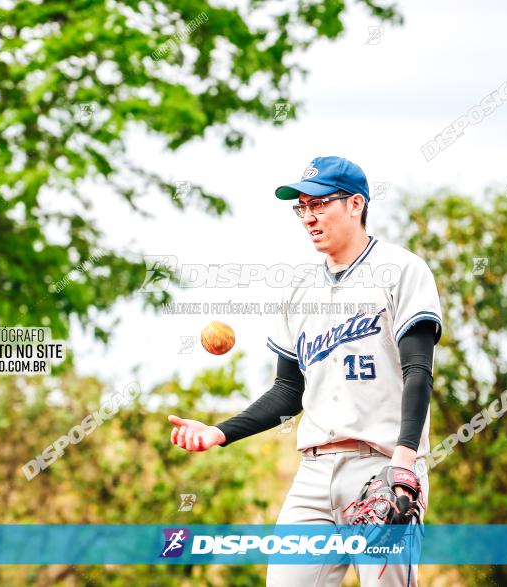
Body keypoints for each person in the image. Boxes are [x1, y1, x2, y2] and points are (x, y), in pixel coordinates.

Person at [168, 156, 442, 586]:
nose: (308, 217)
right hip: (313, 475)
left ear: (356, 204)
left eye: (320, 204)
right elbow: (287, 391)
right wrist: (220, 432)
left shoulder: (403, 270)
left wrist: (405, 460)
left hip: (382, 467)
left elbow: (418, 370)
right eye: (301, 207)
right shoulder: (299, 291)